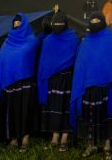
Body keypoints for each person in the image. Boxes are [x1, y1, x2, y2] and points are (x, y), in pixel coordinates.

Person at [70, 12, 112, 160]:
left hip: (107, 87)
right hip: (88, 87)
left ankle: (107, 146)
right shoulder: (85, 42)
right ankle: (91, 145)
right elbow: (80, 65)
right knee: (90, 116)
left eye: (97, 20)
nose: (94, 23)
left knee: (106, 115)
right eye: (92, 20)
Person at [0, 13, 39, 153]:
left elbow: (30, 60)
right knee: (11, 111)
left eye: (19, 24)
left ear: (25, 24)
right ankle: (13, 139)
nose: (17, 26)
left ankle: (25, 139)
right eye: (15, 24)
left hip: (25, 83)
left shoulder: (32, 41)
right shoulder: (7, 42)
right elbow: (2, 60)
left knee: (25, 110)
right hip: (9, 83)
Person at [38, 12, 80, 152]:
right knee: (55, 107)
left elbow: (76, 59)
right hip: (54, 79)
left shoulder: (72, 38)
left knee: (66, 106)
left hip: (69, 78)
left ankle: (65, 138)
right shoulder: (48, 40)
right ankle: (55, 137)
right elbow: (44, 62)